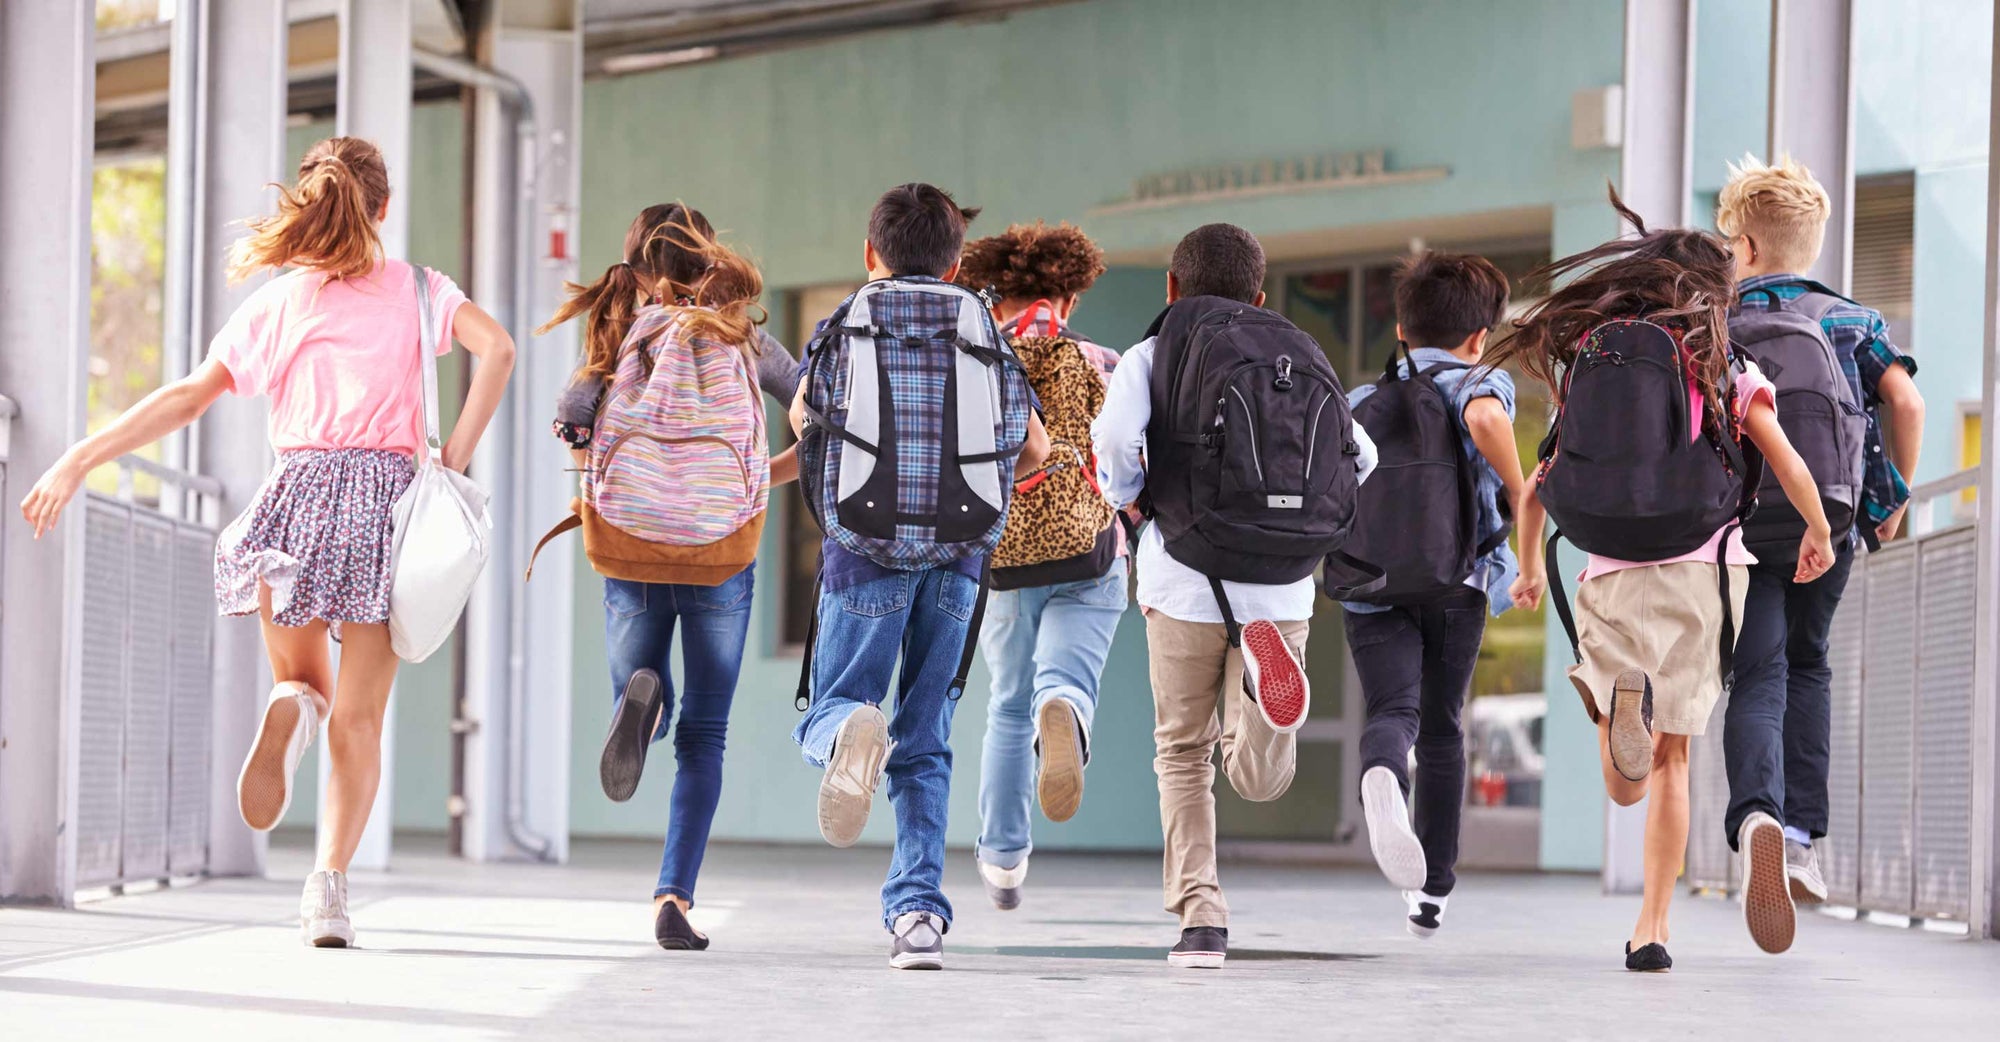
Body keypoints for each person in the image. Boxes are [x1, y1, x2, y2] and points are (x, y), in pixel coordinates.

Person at [19, 136, 515, 948]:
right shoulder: (421, 291)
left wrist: (80, 455)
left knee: (304, 686)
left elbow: (188, 397)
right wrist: (450, 457)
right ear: (383, 208)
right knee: (359, 722)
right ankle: (328, 891)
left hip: (294, 500)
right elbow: (497, 349)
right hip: (385, 511)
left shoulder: (283, 303)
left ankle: (290, 707)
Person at [1490, 192, 1836, 971]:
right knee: (1674, 757)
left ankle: (1625, 719)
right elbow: (1783, 456)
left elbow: (1536, 487)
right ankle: (1653, 929)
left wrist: (1528, 566)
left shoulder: (1592, 358)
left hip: (1609, 571)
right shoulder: (1722, 361)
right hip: (1701, 568)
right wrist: (1816, 529)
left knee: (1623, 784)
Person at [1093, 222, 1378, 969]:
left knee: (1182, 754)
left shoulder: (1152, 353)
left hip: (1182, 578)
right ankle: (1263, 702)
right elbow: (1363, 455)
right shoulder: (1295, 349)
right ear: (1260, 293)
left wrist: (1128, 498)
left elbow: (1116, 442)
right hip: (1281, 589)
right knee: (1259, 776)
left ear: (1171, 289)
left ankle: (1202, 918)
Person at [787, 184, 1049, 969]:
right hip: (961, 558)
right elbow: (1031, 446)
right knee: (926, 735)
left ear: (872, 255)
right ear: (957, 259)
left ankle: (845, 733)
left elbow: (805, 420)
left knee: (830, 708)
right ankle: (918, 920)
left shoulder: (848, 320)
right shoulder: (983, 326)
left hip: (862, 550)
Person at [540, 204, 797, 952]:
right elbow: (816, 410)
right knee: (706, 736)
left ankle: (641, 705)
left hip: (633, 544)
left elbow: (574, 419)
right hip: (722, 548)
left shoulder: (618, 336)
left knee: (639, 684)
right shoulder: (743, 334)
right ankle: (675, 897)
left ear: (639, 272)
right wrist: (759, 480)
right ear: (709, 261)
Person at [1714, 155, 1926, 917]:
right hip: (1828, 522)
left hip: (1736, 524)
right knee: (1809, 666)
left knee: (1757, 672)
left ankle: (1757, 817)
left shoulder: (1718, 321)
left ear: (1744, 245)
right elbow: (1906, 403)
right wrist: (1891, 497)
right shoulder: (1852, 319)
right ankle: (1800, 839)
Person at [1340, 252, 1543, 938]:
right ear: (1480, 335)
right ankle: (1432, 892)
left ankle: (1380, 773)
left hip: (1371, 581)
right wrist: (1521, 497)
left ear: (1402, 329)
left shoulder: (1359, 401)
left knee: (1391, 709)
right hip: (1458, 578)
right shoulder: (1480, 380)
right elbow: (1486, 422)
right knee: (1444, 725)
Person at [954, 222, 1125, 911]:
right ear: (1072, 293)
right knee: (1065, 680)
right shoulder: (1099, 359)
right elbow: (1126, 461)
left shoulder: (976, 360)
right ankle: (1070, 709)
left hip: (1003, 557)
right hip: (1086, 548)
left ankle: (1002, 859)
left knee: (1007, 704)